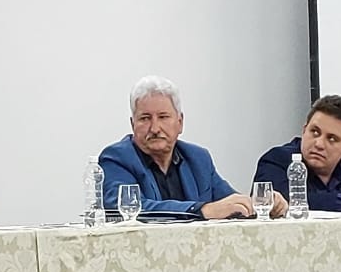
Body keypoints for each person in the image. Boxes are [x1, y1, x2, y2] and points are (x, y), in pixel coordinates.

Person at [99, 76, 276, 219]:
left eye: (163, 117)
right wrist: (201, 210)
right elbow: (130, 209)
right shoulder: (116, 159)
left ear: (180, 122)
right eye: (145, 118)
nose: (154, 128)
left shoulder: (198, 158)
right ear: (132, 124)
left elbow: (228, 203)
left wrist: (260, 205)